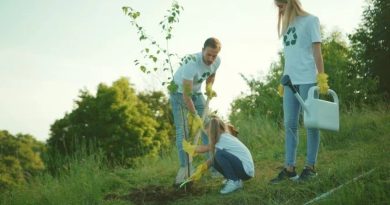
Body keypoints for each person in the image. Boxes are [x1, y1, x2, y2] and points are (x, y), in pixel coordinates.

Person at [270, 0, 330, 184]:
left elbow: (317, 52)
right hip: (290, 81)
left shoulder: (311, 21)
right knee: (290, 124)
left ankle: (310, 167)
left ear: (291, 3)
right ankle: (289, 168)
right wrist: (283, 78)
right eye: (277, 6)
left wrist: (321, 78)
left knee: (311, 124)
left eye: (281, 5)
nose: (279, 9)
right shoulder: (287, 25)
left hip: (308, 80)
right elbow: (290, 56)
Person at [170, 37, 221, 186]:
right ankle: (186, 168)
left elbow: (211, 74)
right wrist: (195, 116)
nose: (211, 58)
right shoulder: (191, 62)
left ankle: (213, 166)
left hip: (197, 93)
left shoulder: (217, 61)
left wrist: (209, 88)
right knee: (183, 130)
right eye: (208, 55)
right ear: (202, 50)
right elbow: (186, 95)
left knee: (208, 127)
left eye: (214, 55)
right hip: (178, 94)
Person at [184, 115, 255, 194]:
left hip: (246, 170)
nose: (209, 137)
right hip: (245, 170)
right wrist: (202, 169)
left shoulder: (222, 139)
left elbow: (205, 148)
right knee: (215, 158)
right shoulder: (225, 137)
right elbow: (212, 160)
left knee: (219, 155)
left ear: (213, 132)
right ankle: (233, 179)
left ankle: (234, 181)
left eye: (209, 134)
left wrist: (190, 148)